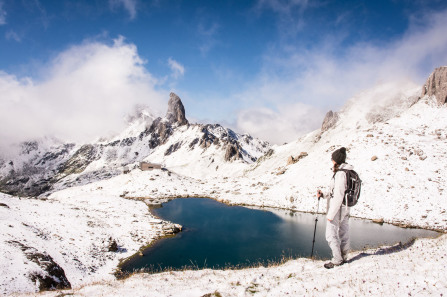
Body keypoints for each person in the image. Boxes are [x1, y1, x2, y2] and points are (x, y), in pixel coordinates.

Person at [317, 147, 353, 269]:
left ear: (336, 161)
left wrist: (331, 214)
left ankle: (337, 259)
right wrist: (323, 194)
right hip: (345, 207)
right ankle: (344, 256)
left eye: (332, 159)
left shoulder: (340, 174)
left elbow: (338, 195)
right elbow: (334, 192)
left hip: (338, 209)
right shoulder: (346, 172)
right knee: (344, 232)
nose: (331, 161)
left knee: (330, 234)